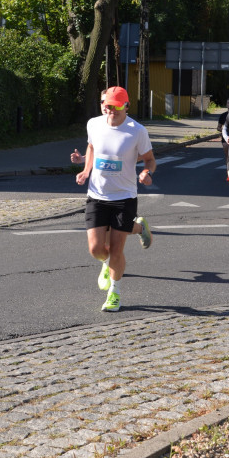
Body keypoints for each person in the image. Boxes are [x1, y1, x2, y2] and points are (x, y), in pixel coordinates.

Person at [75, 86, 155, 312]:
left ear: (126, 106)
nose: (110, 110)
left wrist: (147, 173)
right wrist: (86, 169)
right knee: (96, 249)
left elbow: (150, 159)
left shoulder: (137, 130)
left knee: (116, 249)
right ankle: (137, 230)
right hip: (97, 195)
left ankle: (115, 293)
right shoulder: (94, 124)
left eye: (116, 107)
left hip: (124, 197)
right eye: (107, 106)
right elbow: (91, 147)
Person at [216, 97, 229, 162]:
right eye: (228, 103)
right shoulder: (223, 115)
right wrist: (224, 130)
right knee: (228, 155)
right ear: (226, 105)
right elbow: (218, 127)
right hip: (226, 137)